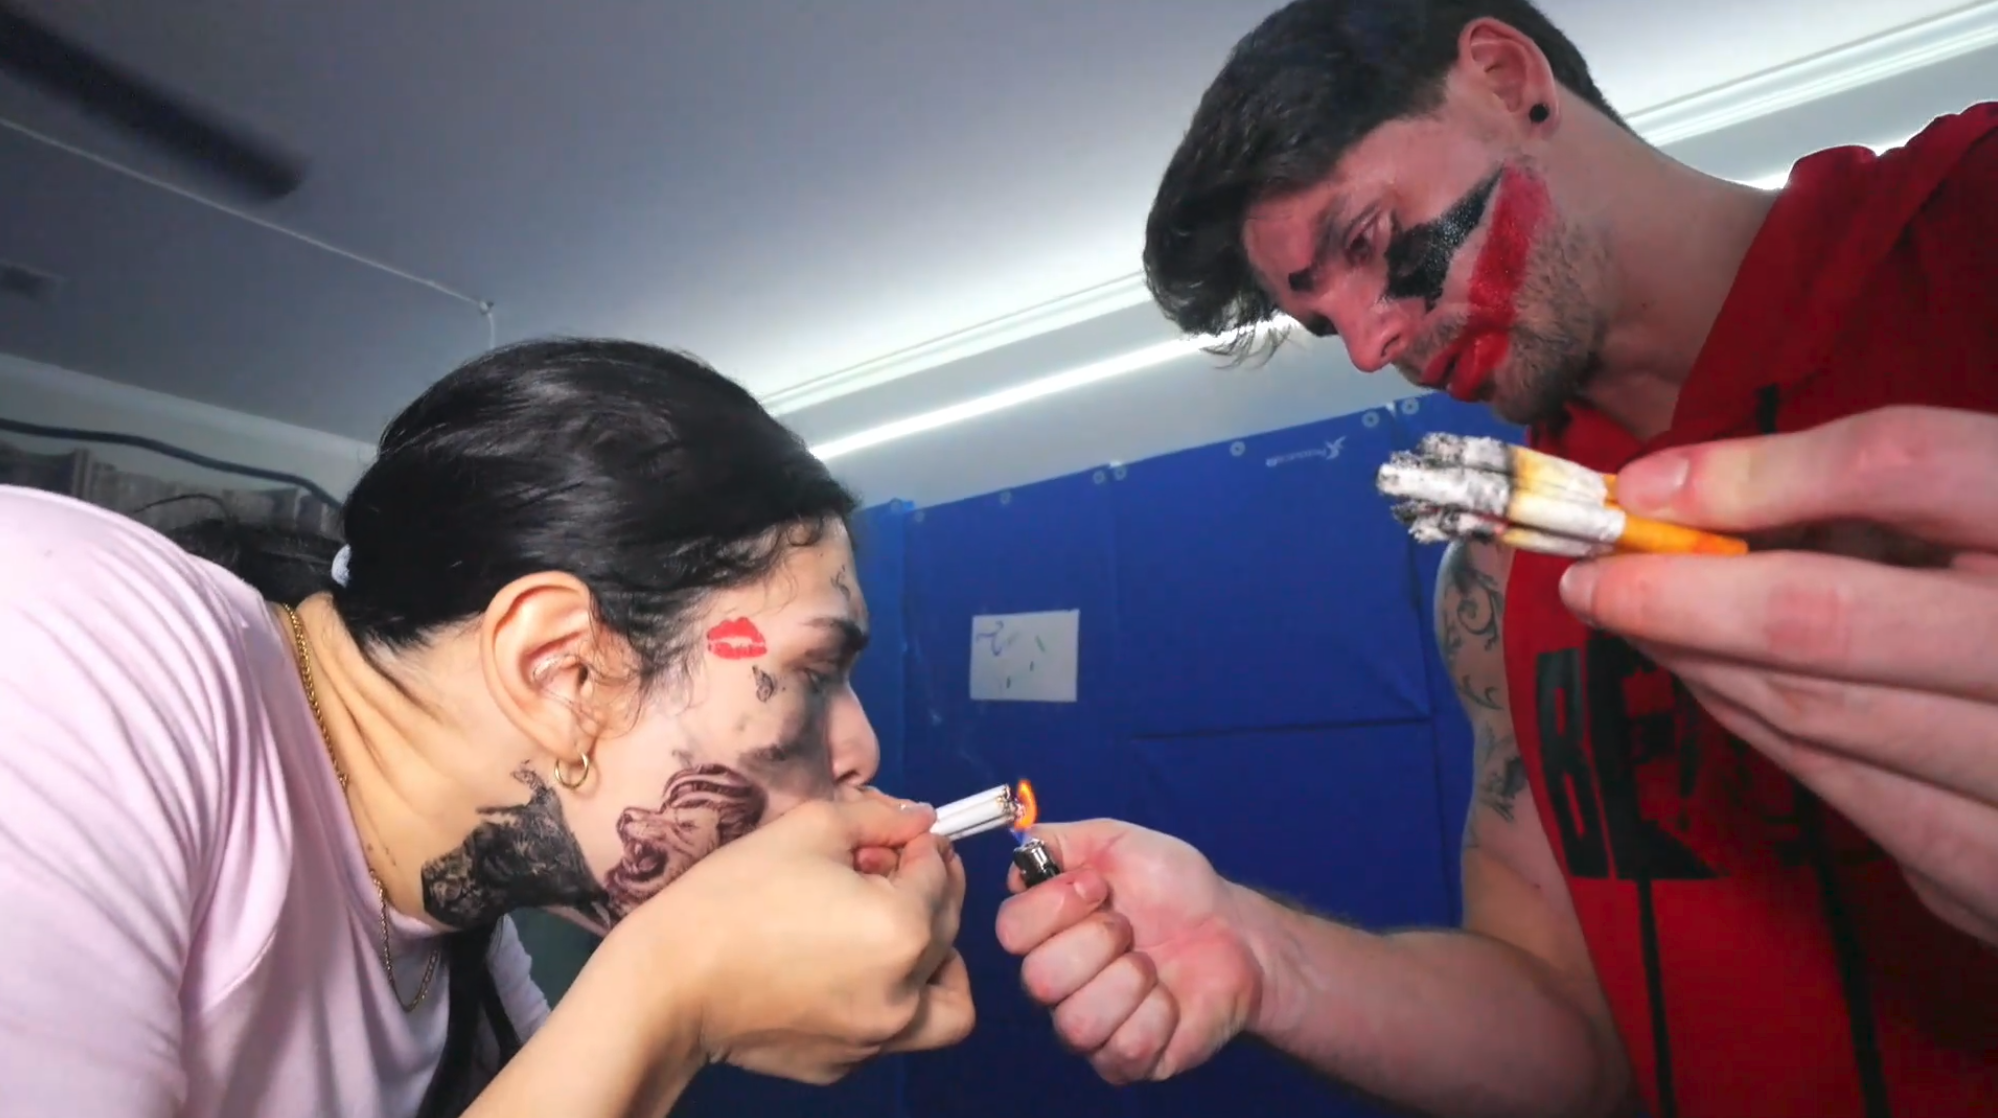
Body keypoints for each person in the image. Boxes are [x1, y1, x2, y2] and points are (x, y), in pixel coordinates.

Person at [997, 2, 1998, 1116]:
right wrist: (1264, 954)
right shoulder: (1493, 572)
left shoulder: (1973, 226)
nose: (1371, 346)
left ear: (1507, 78)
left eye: (1369, 241)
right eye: (1327, 324)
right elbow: (1571, 1044)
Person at [0, 338, 974, 1117]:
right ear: (560, 669)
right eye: (813, 673)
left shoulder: (472, 955)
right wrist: (672, 1003)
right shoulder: (65, 634)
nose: (862, 750)